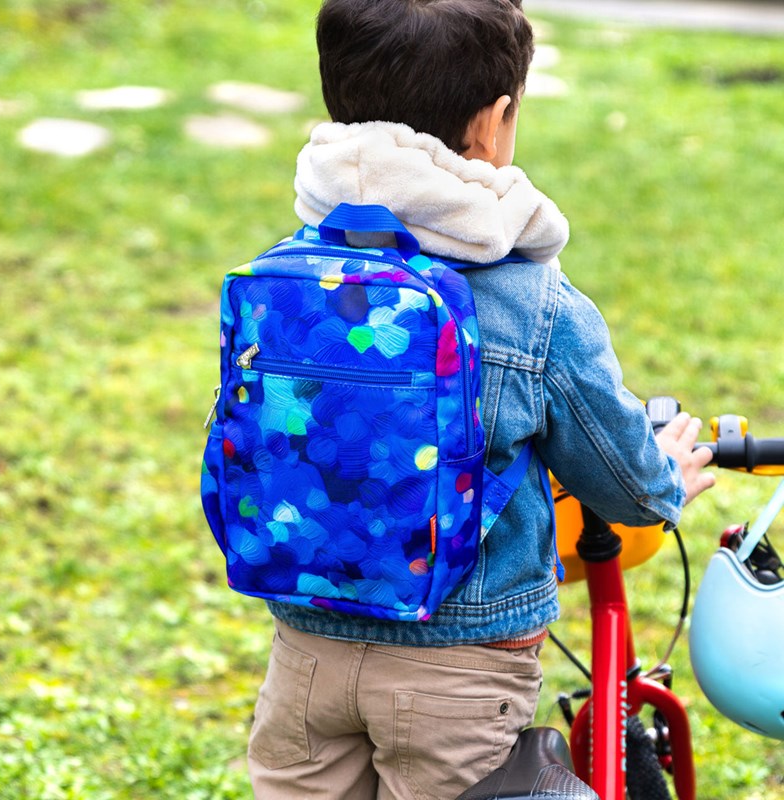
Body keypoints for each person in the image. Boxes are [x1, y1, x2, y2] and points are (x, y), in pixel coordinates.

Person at [246, 1, 715, 797]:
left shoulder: (284, 272)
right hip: (460, 667)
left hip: (305, 646)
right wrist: (665, 473)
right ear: (494, 124)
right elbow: (624, 484)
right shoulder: (533, 299)